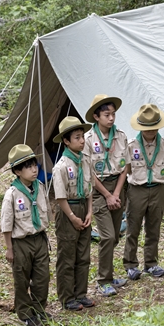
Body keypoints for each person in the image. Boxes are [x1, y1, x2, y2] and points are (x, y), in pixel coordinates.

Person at [1, 144, 51, 326]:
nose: (34, 169)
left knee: (42, 277)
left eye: (35, 165)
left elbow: (46, 210)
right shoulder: (12, 194)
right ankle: (24, 314)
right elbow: (6, 224)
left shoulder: (40, 186)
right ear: (17, 171)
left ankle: (39, 309)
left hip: (39, 238)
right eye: (28, 167)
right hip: (21, 242)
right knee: (21, 279)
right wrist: (9, 248)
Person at [83, 94, 129, 297]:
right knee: (107, 236)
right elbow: (89, 173)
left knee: (116, 235)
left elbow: (125, 167)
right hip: (98, 191)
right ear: (96, 117)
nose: (111, 119)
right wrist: (107, 195)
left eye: (113, 114)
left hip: (117, 187)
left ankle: (109, 276)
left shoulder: (120, 135)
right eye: (106, 115)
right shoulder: (87, 140)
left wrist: (117, 193)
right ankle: (102, 281)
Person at [123, 103, 164, 280]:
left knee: (154, 228)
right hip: (137, 189)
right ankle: (130, 264)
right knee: (133, 228)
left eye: (154, 128)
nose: (151, 132)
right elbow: (127, 170)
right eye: (147, 128)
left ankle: (151, 263)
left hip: (158, 189)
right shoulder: (131, 145)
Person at [52, 116, 96, 311]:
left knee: (83, 254)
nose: (81, 141)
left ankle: (81, 293)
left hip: (83, 208)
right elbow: (60, 197)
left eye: (83, 137)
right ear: (66, 141)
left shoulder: (85, 160)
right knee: (67, 256)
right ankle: (67, 296)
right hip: (68, 210)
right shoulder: (61, 166)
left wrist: (89, 212)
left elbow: (89, 189)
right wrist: (73, 217)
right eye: (77, 137)